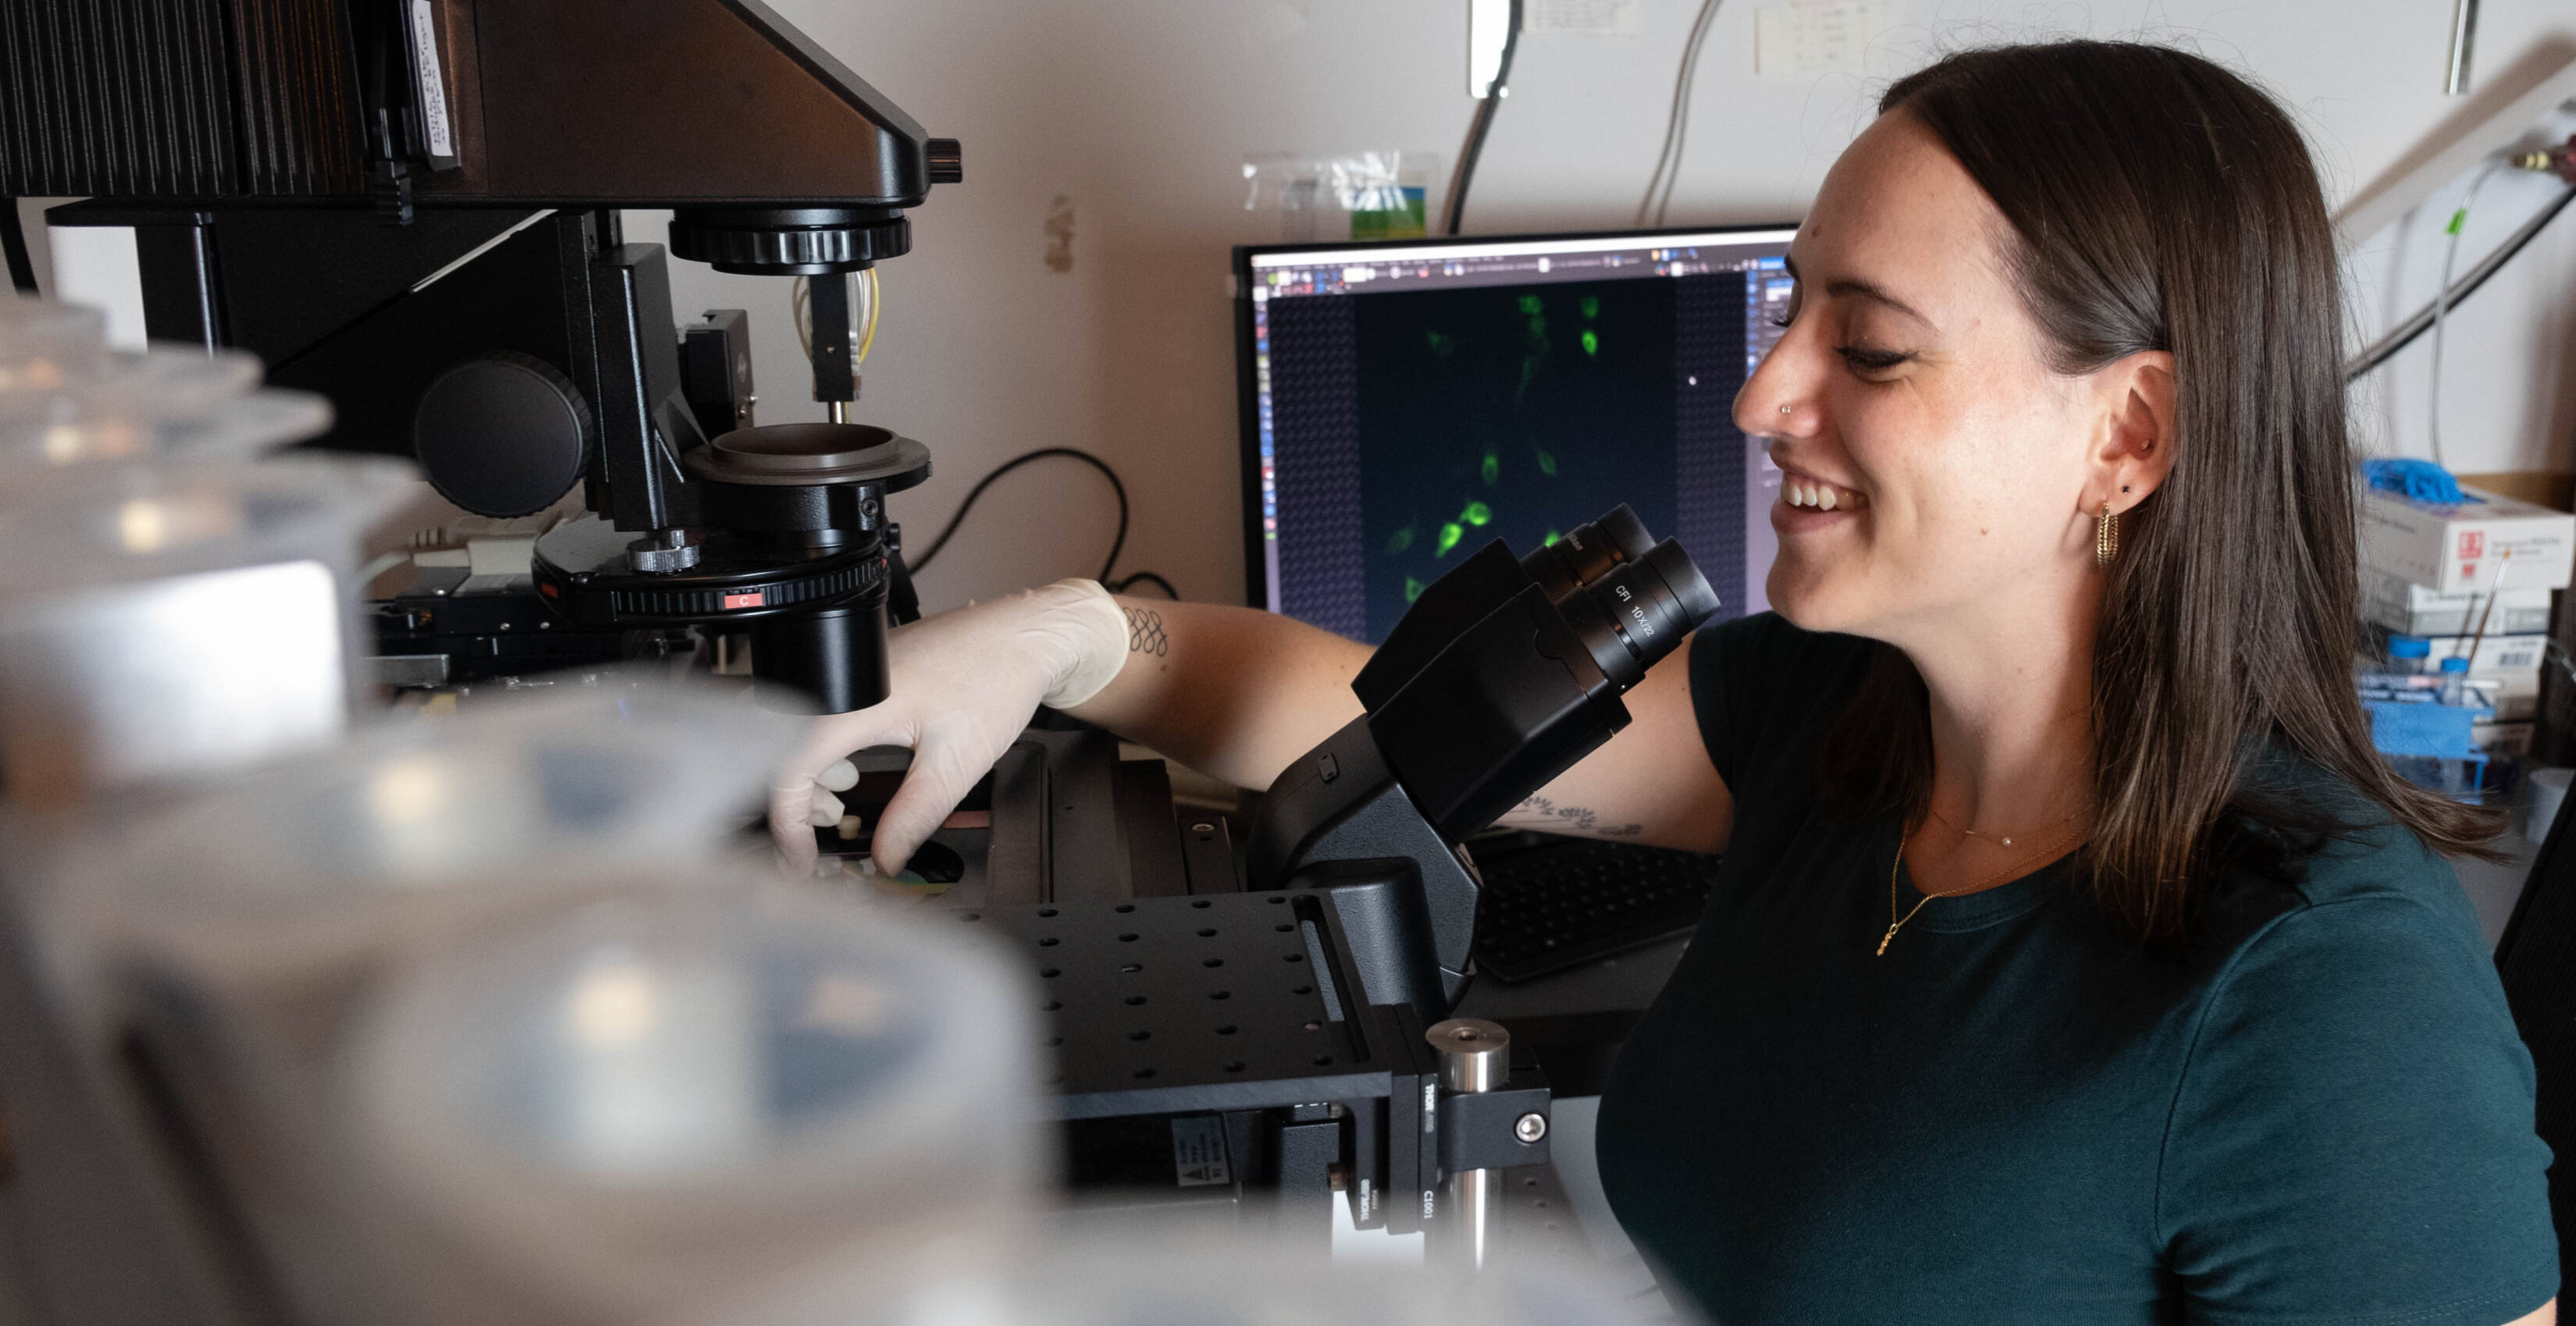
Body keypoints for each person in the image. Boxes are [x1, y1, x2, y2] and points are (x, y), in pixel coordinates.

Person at [769, 40, 2559, 1326]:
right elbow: (1377, 721)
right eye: (1792, 320)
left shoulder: (2326, 1001)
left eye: (1867, 347)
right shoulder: (1836, 726)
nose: (1765, 396)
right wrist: (1075, 638)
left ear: (2132, 433)